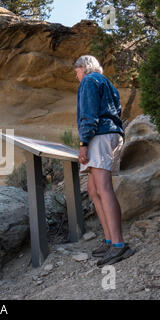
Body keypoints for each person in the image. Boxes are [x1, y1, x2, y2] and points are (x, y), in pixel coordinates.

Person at [74, 55, 134, 267]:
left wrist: (84, 142)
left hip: (99, 135)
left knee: (104, 188)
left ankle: (118, 245)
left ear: (83, 68)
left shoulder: (89, 81)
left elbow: (89, 114)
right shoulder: (108, 84)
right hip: (113, 135)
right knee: (93, 189)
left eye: (77, 71)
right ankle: (109, 240)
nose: (77, 76)